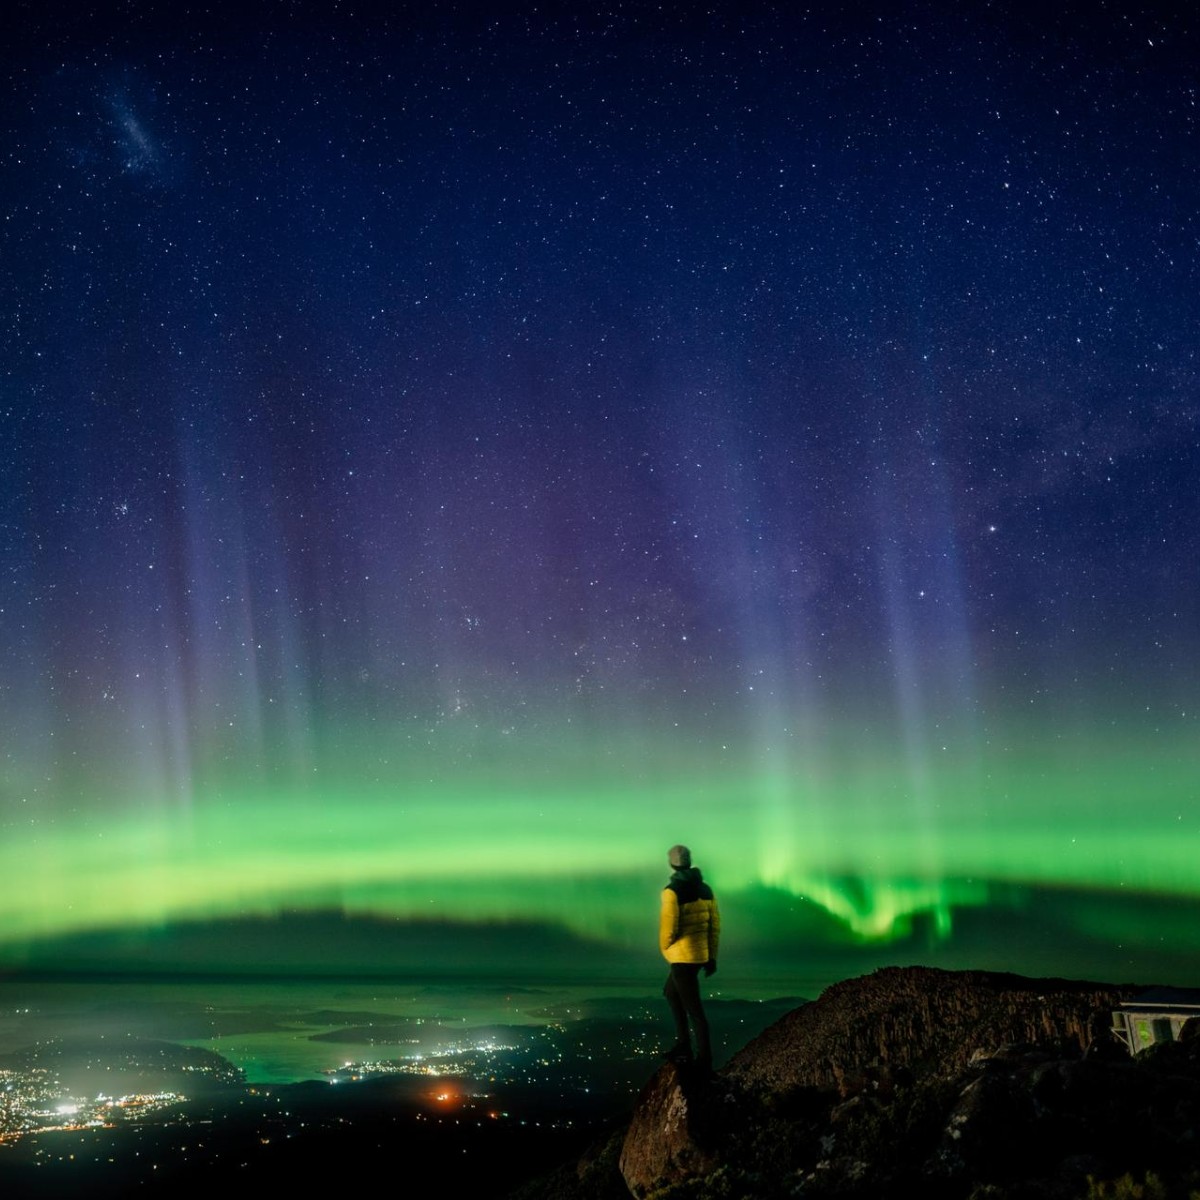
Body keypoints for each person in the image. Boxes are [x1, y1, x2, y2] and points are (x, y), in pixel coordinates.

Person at [659, 843, 720, 1073]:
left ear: (671, 863)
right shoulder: (706, 890)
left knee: (695, 1012)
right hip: (699, 955)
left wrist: (665, 949)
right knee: (670, 992)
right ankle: (683, 1044)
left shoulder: (671, 891)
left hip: (682, 958)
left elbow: (668, 929)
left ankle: (703, 1060)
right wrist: (711, 957)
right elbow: (714, 926)